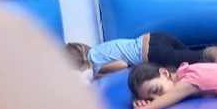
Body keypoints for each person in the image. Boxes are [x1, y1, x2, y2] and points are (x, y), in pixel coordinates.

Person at [66, 32, 205, 77]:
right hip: (156, 37)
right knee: (197, 57)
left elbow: (122, 65)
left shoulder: (96, 66)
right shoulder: (98, 48)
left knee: (202, 60)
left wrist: (100, 74)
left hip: (153, 54)